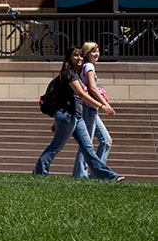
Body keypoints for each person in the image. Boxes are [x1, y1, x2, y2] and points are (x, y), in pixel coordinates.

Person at [32, 47, 124, 181]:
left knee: (88, 150)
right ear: (69, 57)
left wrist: (56, 121)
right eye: (76, 55)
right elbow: (81, 94)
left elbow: (65, 99)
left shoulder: (74, 74)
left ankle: (109, 176)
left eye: (81, 56)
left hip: (76, 117)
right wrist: (102, 106)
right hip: (68, 117)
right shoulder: (69, 74)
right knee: (55, 147)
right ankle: (39, 173)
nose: (80, 58)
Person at [73, 41, 115, 178]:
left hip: (91, 109)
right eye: (92, 51)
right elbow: (92, 88)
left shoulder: (85, 66)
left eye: (97, 51)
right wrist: (104, 105)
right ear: (86, 54)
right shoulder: (89, 66)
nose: (96, 54)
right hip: (89, 109)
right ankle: (81, 175)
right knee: (87, 144)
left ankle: (96, 175)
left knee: (106, 140)